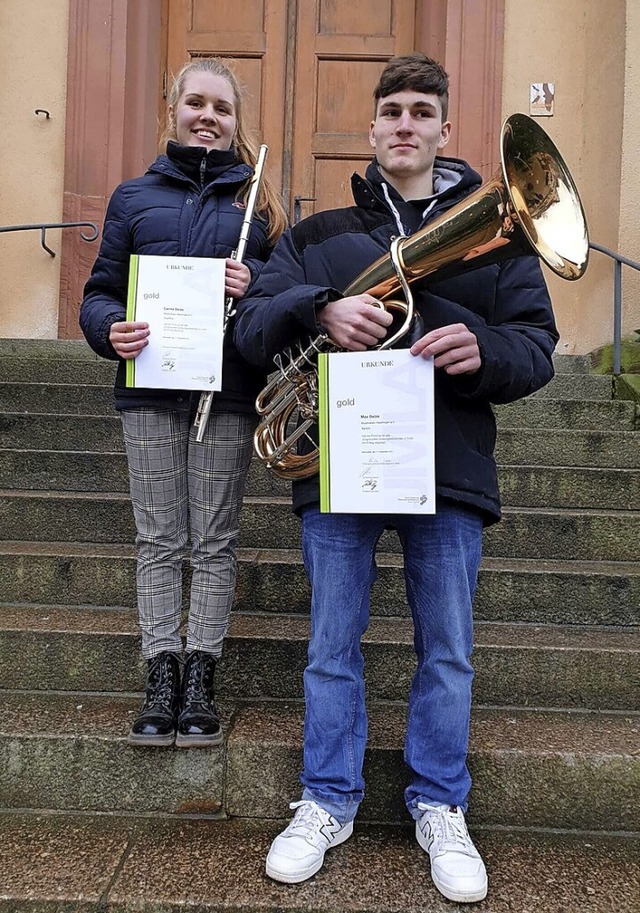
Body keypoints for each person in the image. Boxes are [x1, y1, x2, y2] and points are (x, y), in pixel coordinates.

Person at [233, 53, 558, 903]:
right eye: (392, 111)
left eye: (422, 111)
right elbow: (252, 324)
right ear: (372, 129)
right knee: (331, 648)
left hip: (448, 470)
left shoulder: (499, 233)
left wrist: (485, 349)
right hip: (340, 465)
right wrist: (317, 307)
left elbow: (535, 346)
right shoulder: (316, 236)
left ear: (445, 129)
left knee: (446, 653)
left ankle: (440, 802)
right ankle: (327, 799)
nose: (406, 124)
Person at [79, 58, 287, 749]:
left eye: (221, 108)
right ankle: (160, 674)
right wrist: (109, 328)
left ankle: (202, 674)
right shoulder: (133, 197)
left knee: (215, 540)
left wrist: (254, 277)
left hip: (226, 395)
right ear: (172, 109)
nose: (208, 116)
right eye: (195, 102)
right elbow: (100, 291)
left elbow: (290, 300)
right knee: (160, 538)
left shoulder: (262, 207)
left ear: (237, 122)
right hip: (149, 392)